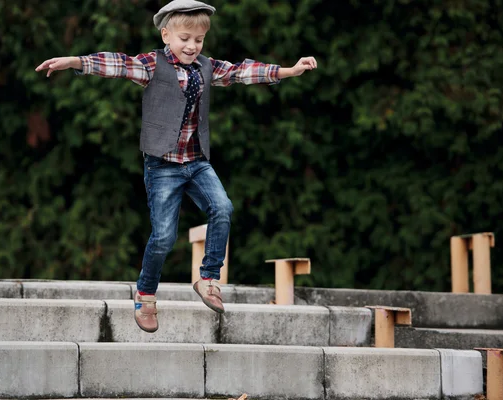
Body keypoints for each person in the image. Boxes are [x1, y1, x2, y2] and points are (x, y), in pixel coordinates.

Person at [35, 0, 317, 333]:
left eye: (198, 40)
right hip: (163, 166)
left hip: (197, 162)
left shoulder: (207, 67)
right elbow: (118, 63)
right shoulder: (152, 65)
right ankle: (145, 295)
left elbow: (243, 72)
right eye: (185, 38)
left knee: (223, 208)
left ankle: (209, 278)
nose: (191, 46)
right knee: (165, 237)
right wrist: (75, 62)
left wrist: (289, 70)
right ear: (166, 35)